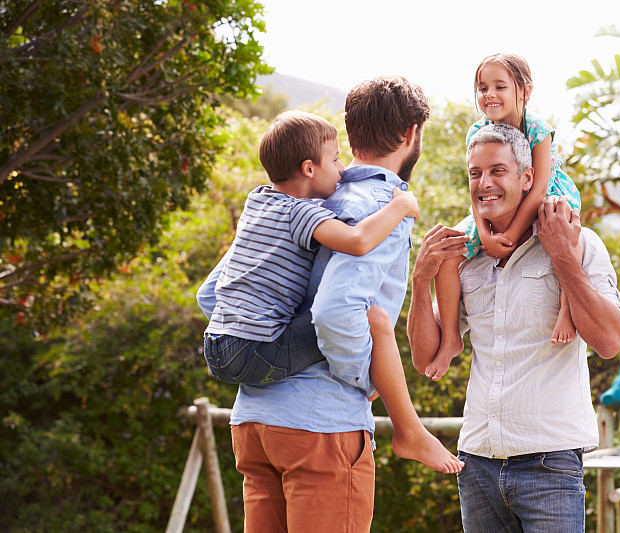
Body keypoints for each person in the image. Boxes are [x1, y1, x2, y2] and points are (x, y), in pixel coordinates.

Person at [197, 77, 462, 533]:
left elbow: (212, 294)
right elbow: (334, 313)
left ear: (350, 132)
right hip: (320, 426)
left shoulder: (287, 200)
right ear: (411, 134)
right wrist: (368, 376)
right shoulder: (382, 205)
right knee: (374, 321)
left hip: (254, 424)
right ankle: (410, 430)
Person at [407, 123, 620, 533]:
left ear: (528, 178)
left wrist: (562, 257)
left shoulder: (580, 241)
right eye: (475, 173)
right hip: (475, 463)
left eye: (497, 171)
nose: (484, 183)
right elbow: (424, 357)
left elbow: (610, 341)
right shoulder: (465, 254)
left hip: (550, 464)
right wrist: (421, 281)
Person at [203, 110, 420, 388]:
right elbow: (357, 241)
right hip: (257, 352)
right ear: (308, 169)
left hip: (215, 344)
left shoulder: (256, 201)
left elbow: (207, 294)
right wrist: (401, 206)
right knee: (365, 322)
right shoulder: (300, 213)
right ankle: (380, 390)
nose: (343, 169)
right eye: (334, 159)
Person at [426, 52, 583, 381]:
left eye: (500, 86)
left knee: (566, 229)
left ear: (524, 90)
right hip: (496, 205)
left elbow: (537, 187)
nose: (490, 95)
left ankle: (567, 313)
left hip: (543, 195)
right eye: (483, 88)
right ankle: (452, 337)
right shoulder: (477, 132)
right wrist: (484, 236)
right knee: (449, 252)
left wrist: (510, 234)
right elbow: (475, 188)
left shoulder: (538, 130)